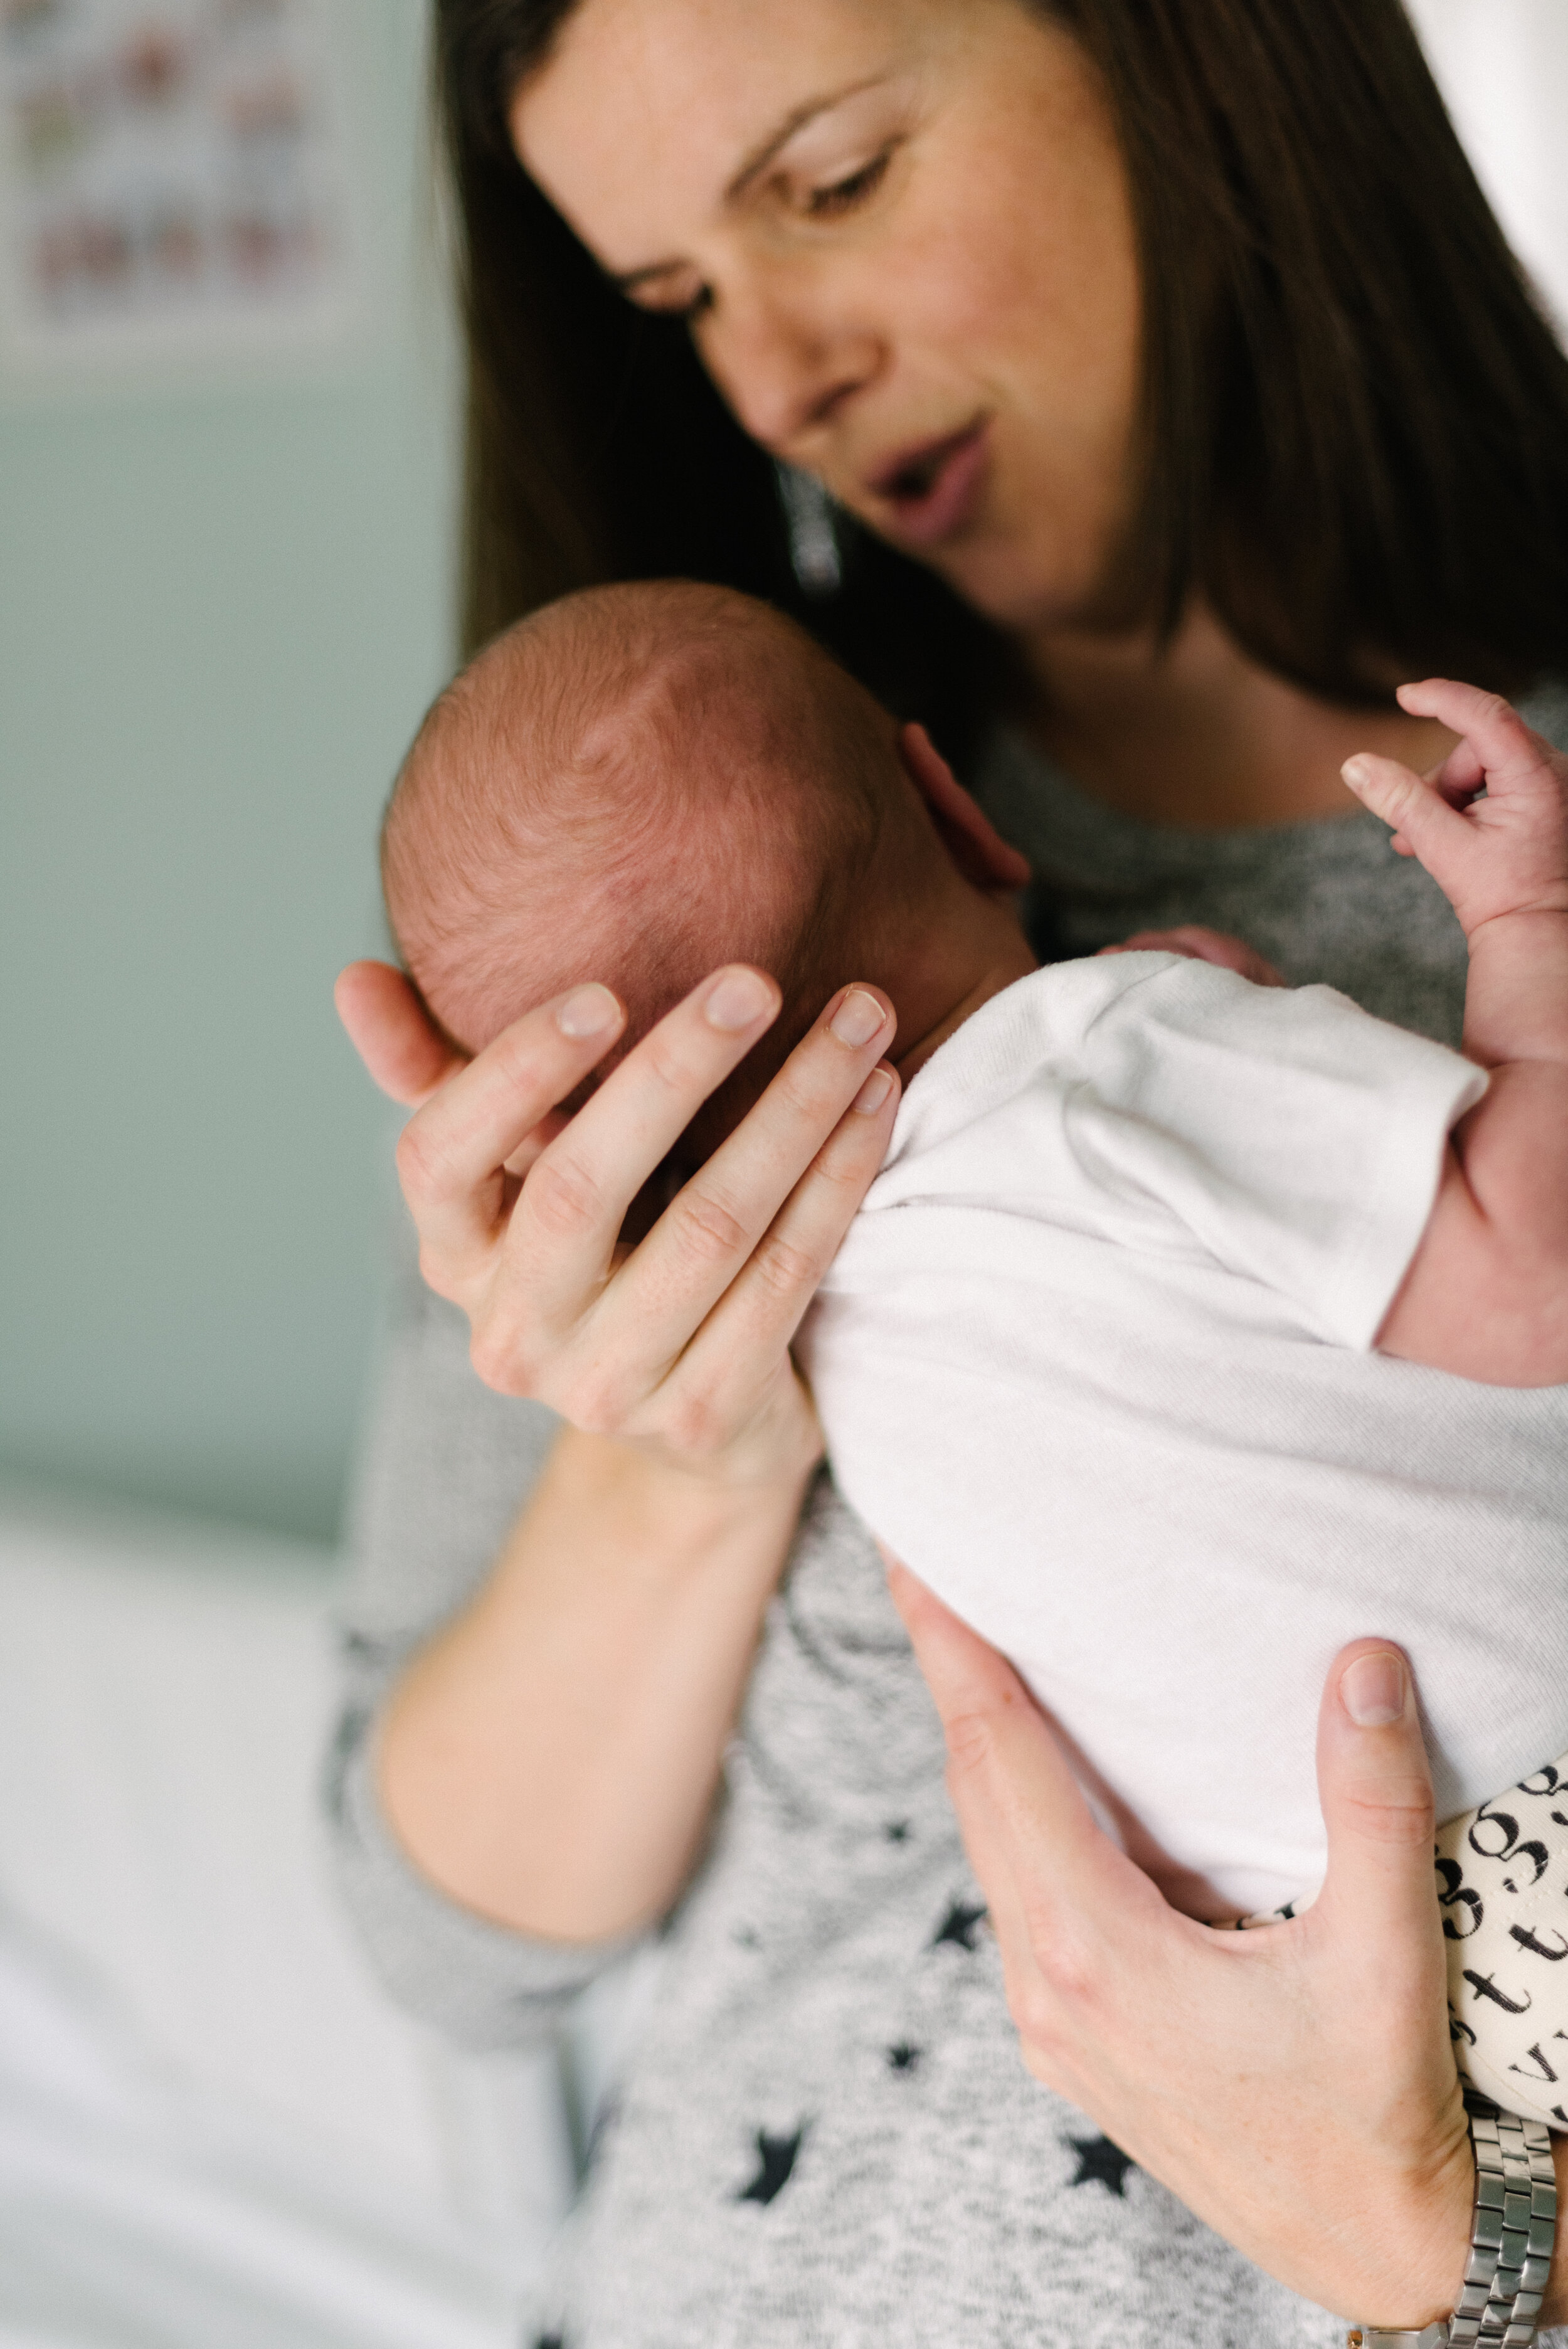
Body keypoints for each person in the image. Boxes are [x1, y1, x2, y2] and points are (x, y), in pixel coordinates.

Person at [330, 1, 1568, 2339]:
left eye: (827, 183)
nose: (776, 377)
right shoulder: (639, 944)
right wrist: (674, 1462)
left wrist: (1461, 2256)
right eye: (681, 299)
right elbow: (446, 1947)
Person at [381, 573, 1568, 2120]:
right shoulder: (1122, 1056)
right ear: (954, 810)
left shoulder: (841, 1357)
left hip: (1375, 1998)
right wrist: (1526, 935)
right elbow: (1533, 1276)